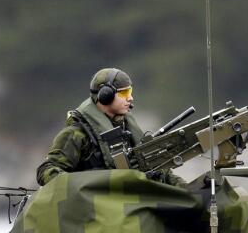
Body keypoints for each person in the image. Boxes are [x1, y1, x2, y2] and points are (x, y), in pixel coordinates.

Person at [36, 68, 181, 186]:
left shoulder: (128, 129)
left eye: (130, 92)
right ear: (106, 95)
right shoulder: (76, 134)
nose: (130, 98)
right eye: (124, 93)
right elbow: (45, 171)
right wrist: (87, 185)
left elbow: (160, 169)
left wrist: (189, 192)